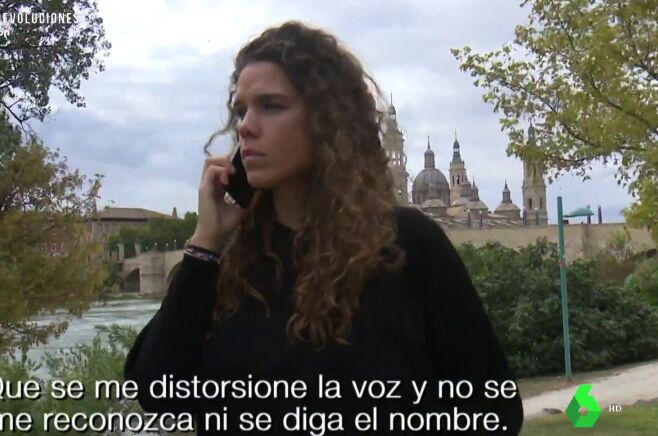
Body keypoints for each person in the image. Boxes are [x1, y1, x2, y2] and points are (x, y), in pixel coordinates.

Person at [124, 20, 524, 435]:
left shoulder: (404, 245)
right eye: (242, 110)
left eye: (271, 106)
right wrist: (205, 240)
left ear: (327, 121)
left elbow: (495, 410)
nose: (245, 126)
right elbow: (156, 390)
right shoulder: (230, 262)